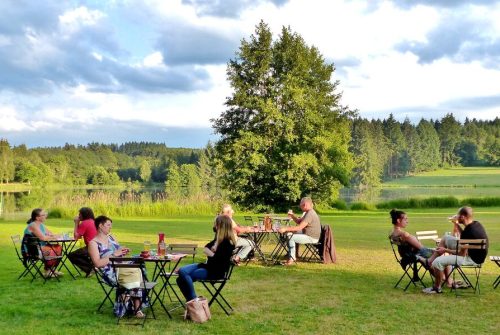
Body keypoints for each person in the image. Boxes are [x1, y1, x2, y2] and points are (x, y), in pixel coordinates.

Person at [423, 206, 489, 294]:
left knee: (437, 262)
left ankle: (436, 288)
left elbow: (461, 254)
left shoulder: (469, 232)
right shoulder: (476, 224)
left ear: (463, 217)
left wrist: (445, 250)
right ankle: (430, 261)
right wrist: (456, 224)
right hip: (473, 254)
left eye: (458, 215)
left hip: (471, 259)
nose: (456, 216)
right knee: (446, 238)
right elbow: (465, 236)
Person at [88, 215, 144, 318]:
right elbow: (97, 263)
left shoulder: (112, 237)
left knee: (138, 266)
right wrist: (115, 255)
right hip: (109, 271)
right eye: (108, 225)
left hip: (121, 266)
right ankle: (136, 308)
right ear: (100, 226)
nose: (110, 227)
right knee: (134, 271)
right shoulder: (93, 243)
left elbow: (119, 253)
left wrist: (122, 251)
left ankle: (128, 299)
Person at [177, 215, 236, 302]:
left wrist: (211, 253)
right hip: (207, 266)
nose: (214, 226)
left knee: (183, 277)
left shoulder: (227, 243)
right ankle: (193, 301)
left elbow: (218, 262)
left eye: (215, 224)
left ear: (220, 226)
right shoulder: (217, 239)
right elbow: (205, 248)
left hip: (215, 272)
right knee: (182, 272)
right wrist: (213, 251)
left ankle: (194, 303)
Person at [21, 208, 63, 278]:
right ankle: (47, 272)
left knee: (58, 247)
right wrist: (53, 237)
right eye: (43, 215)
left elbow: (50, 234)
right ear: (37, 217)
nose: (45, 216)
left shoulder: (41, 225)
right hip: (32, 250)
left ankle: (51, 270)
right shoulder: (33, 225)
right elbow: (43, 238)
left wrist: (58, 235)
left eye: (45, 214)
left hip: (41, 247)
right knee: (52, 250)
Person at [279, 197, 321, 265]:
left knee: (291, 237)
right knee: (290, 233)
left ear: (304, 205)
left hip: (311, 237)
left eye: (300, 205)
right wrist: (292, 215)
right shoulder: (308, 212)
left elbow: (299, 227)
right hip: (307, 234)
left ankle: (292, 258)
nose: (300, 206)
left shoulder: (310, 214)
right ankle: (293, 254)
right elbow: (299, 221)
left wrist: (285, 228)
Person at [67, 207, 97, 277]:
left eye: (80, 214)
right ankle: (91, 267)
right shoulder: (93, 221)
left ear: (84, 215)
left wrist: (76, 223)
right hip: (99, 246)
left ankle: (90, 269)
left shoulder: (85, 223)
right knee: (81, 253)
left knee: (72, 255)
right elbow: (79, 237)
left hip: (92, 247)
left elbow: (76, 237)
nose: (79, 216)